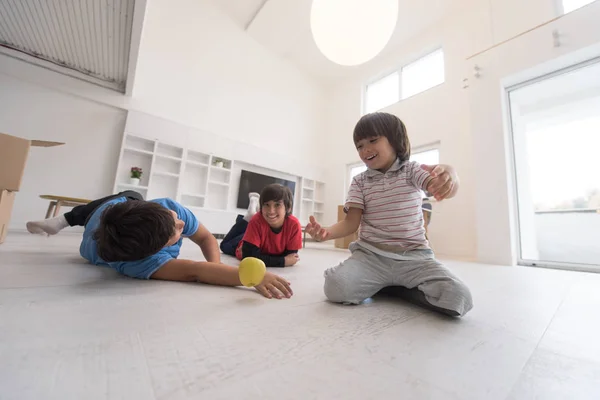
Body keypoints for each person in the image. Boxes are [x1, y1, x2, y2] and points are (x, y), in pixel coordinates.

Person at [305, 112, 473, 317]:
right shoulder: (359, 182)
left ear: (395, 141)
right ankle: (389, 284)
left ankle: (396, 288)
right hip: (371, 257)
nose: (365, 149)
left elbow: (443, 187)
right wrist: (326, 232)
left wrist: (450, 174)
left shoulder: (412, 170)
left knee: (460, 297)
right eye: (359, 146)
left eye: (373, 140)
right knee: (335, 287)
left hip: (414, 258)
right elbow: (350, 223)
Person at [26, 191, 292, 299]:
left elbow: (206, 238)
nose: (181, 226)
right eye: (176, 232)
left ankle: (65, 219)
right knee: (98, 210)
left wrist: (217, 270)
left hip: (118, 206)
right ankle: (71, 218)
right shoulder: (136, 263)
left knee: (129, 195)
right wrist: (250, 276)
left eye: (174, 221)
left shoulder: (169, 209)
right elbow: (194, 270)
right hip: (95, 227)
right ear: (154, 251)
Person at [220, 184, 302, 268]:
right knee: (224, 245)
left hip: (258, 237)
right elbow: (249, 257)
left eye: (277, 205)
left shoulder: (294, 224)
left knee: (251, 227)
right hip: (245, 243)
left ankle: (247, 218)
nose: (271, 211)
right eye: (266, 205)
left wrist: (259, 256)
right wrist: (283, 261)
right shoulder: (256, 221)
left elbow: (292, 257)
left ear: (288, 208)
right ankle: (247, 218)